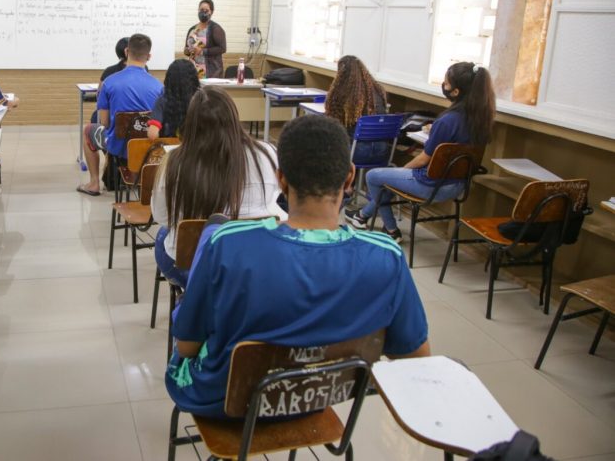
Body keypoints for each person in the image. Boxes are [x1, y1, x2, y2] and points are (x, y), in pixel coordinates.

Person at [166, 114, 431, 418]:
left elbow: (186, 346)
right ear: (349, 178)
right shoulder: (387, 258)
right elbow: (416, 358)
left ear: (281, 180)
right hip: (318, 399)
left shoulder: (227, 244)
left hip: (226, 403)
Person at [346, 61, 495, 242]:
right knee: (390, 181)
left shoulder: (447, 121)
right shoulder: (482, 120)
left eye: (447, 83)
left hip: (431, 186)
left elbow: (424, 159)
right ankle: (362, 215)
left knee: (374, 176)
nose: (444, 86)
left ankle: (391, 230)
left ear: (456, 92)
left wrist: (401, 171)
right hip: (458, 186)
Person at [151, 86, 284, 287]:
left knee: (163, 234)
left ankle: (196, 300)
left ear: (192, 122)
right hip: (250, 263)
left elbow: (161, 216)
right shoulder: (266, 153)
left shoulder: (174, 161)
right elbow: (276, 196)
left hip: (190, 265)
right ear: (234, 118)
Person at [77, 33, 162, 196]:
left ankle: (94, 183)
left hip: (118, 145)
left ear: (127, 51)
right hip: (148, 146)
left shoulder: (109, 82)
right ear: (149, 56)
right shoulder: (158, 86)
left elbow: (104, 122)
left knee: (88, 130)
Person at [325, 54, 390, 164]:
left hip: (356, 151)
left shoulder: (341, 93)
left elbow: (334, 125)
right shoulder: (378, 90)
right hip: (382, 151)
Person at [147, 58, 200, 139]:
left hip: (169, 148)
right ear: (194, 79)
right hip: (194, 148)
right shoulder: (199, 100)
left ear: (168, 78)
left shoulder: (162, 101)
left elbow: (152, 135)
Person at [183, 0, 226, 79]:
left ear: (212, 12)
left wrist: (202, 51)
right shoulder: (192, 29)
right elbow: (186, 50)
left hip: (211, 73)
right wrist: (188, 50)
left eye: (206, 10)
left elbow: (222, 48)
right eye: (201, 9)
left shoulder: (215, 29)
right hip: (193, 72)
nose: (203, 12)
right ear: (198, 10)